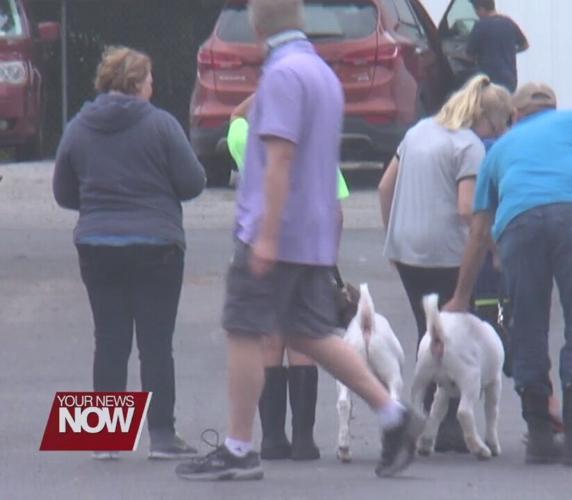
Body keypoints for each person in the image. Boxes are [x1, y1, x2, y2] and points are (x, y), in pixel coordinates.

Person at [175, 0, 422, 481]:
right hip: (311, 232)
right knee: (312, 333)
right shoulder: (321, 74)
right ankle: (394, 415)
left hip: (277, 232)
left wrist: (265, 235)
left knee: (246, 329)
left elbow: (279, 158)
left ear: (257, 22)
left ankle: (240, 448)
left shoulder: (283, 75)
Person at [443, 83, 572, 467]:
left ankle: (539, 433)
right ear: (555, 108)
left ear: (515, 116)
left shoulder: (500, 148)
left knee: (527, 327)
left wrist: (460, 295)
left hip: (520, 226)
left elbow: (478, 230)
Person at [52, 46, 206, 460]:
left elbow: (63, 193)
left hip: (98, 246)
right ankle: (162, 437)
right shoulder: (161, 126)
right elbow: (193, 182)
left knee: (109, 339)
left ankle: (104, 439)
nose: (153, 86)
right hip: (157, 247)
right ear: (137, 83)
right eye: (150, 79)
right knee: (156, 343)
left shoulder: (79, 127)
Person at [377, 74, 512, 453]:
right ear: (488, 120)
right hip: (446, 251)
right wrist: (494, 248)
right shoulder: (469, 146)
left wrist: (393, 236)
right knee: (454, 335)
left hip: (406, 248)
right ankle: (450, 425)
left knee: (429, 332)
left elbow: (386, 186)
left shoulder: (418, 131)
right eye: (497, 128)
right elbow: (468, 209)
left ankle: (424, 421)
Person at [226, 94, 351, 461]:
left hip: (261, 248)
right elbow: (336, 213)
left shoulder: (249, 141)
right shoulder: (318, 152)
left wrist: (265, 90)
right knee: (303, 341)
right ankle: (304, 440)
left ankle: (272, 439)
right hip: (307, 254)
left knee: (268, 342)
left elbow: (235, 113)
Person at [465, 0, 529, 92]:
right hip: (510, 80)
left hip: (489, 81)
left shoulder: (480, 26)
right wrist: (510, 51)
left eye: (476, 10)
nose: (476, 14)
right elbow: (525, 45)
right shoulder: (509, 22)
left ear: (482, 9)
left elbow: (469, 56)